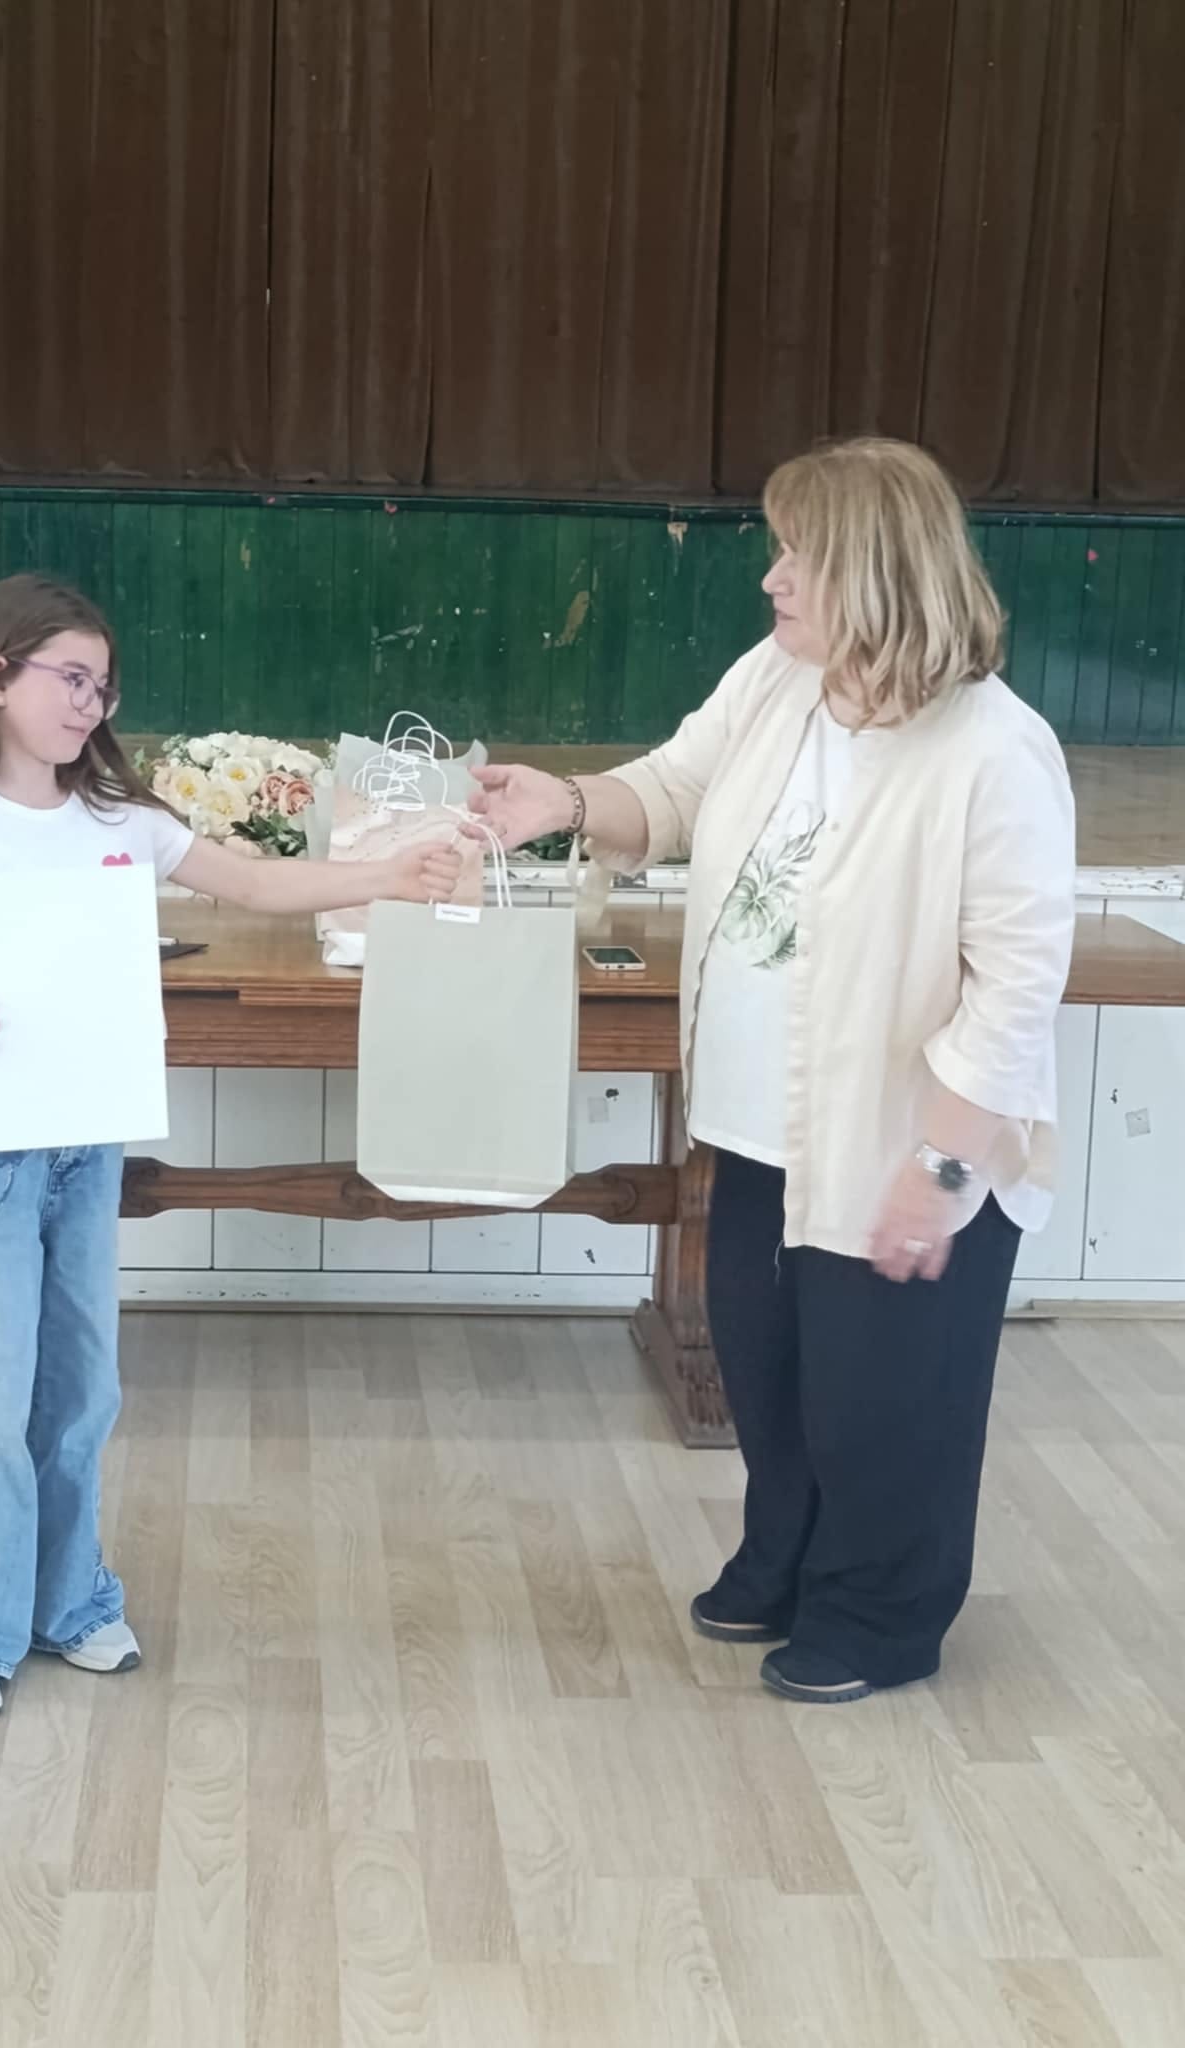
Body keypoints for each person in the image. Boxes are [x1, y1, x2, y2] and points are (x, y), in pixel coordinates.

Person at [470, 438, 1075, 1704]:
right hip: (753, 1120)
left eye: (799, 555)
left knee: (885, 1395)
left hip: (898, 1141)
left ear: (878, 571)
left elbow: (1015, 988)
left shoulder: (996, 751)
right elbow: (672, 789)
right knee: (771, 1367)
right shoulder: (779, 680)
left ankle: (882, 1614)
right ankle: (787, 1562)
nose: (773, 579)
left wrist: (941, 1166)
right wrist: (562, 802)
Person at [0, 572, 462, 1718]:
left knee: (81, 1383)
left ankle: (66, 1599)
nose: (90, 702)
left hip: (85, 1140)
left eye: (103, 684)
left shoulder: (118, 821)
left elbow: (257, 881)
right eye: (70, 677)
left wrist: (387, 874)